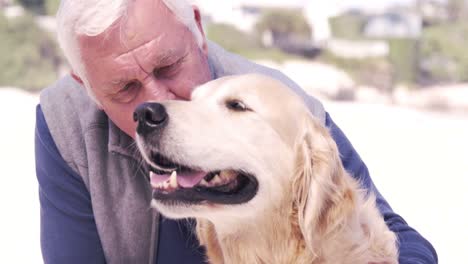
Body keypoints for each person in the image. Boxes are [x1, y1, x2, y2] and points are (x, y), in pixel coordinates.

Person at [35, 0, 437, 263]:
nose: (155, 104)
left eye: (169, 66)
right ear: (85, 86)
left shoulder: (284, 106)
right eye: (124, 89)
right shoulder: (64, 122)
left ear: (197, 29)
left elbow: (397, 237)